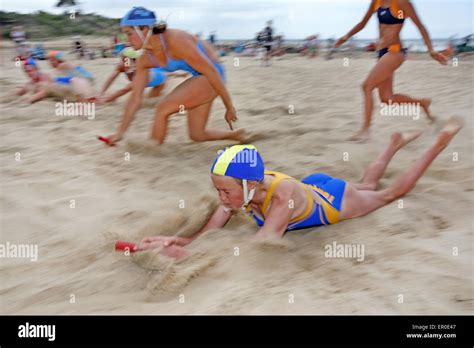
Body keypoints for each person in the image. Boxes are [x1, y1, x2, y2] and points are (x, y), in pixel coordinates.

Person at [136, 117, 463, 259]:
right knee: (366, 183)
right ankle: (392, 145)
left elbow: (262, 243)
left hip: (331, 200)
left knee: (388, 194)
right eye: (219, 191)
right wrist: (177, 241)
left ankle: (438, 143)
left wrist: (186, 255)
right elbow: (211, 231)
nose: (221, 199)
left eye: (225, 192)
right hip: (310, 186)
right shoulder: (240, 191)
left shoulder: (280, 197)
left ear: (249, 185)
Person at [105, 7, 242, 146]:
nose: (127, 40)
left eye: (129, 34)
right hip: (200, 77)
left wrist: (229, 106)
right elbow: (135, 98)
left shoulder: (176, 40)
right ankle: (237, 135)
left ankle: (153, 150)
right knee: (197, 134)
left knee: (162, 109)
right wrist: (119, 133)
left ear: (144, 29)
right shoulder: (144, 59)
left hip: (213, 74)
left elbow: (211, 72)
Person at [335, 0, 449, 141]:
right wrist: (345, 37)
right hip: (382, 52)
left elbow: (420, 26)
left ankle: (365, 131)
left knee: (367, 86)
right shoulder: (376, 2)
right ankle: (422, 103)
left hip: (394, 51)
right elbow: (362, 23)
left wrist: (431, 49)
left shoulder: (402, 3)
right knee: (387, 99)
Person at [98, 47, 188, 103]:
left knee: (150, 101)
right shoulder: (121, 65)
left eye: (125, 59)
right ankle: (178, 74)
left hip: (159, 81)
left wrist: (106, 100)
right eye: (122, 58)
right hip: (155, 72)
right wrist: (101, 93)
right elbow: (111, 78)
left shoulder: (141, 70)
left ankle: (178, 74)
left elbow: (125, 90)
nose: (122, 61)